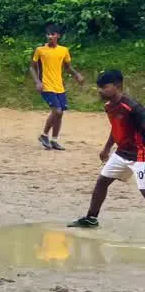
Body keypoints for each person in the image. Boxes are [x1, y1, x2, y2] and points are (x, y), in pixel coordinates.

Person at [69, 70, 145, 228]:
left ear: (117, 86)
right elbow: (116, 128)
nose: (100, 90)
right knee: (102, 181)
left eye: (104, 87)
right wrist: (107, 148)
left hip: (140, 155)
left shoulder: (132, 107)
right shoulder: (109, 107)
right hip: (122, 152)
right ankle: (91, 218)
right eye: (99, 87)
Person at [30, 25, 84, 150]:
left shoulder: (64, 50)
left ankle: (54, 140)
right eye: (48, 34)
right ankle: (44, 135)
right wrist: (37, 82)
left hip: (59, 86)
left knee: (60, 114)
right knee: (57, 111)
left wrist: (77, 75)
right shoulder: (40, 50)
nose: (50, 36)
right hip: (46, 85)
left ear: (58, 36)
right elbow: (32, 67)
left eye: (53, 34)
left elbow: (68, 67)